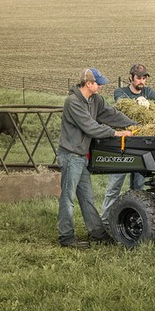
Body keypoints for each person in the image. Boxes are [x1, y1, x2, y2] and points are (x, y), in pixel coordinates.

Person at [57, 67, 135, 248]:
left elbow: (111, 114)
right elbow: (90, 126)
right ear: (88, 83)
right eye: (98, 83)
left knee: (88, 198)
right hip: (70, 155)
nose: (100, 86)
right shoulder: (73, 102)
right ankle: (66, 237)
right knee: (68, 198)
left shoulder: (95, 100)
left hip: (81, 156)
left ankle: (98, 234)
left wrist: (134, 124)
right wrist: (115, 133)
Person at [100, 63, 155, 230]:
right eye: (139, 78)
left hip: (141, 145)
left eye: (144, 78)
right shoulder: (121, 92)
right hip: (123, 145)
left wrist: (154, 106)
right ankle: (104, 222)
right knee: (114, 185)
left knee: (139, 186)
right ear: (131, 77)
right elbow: (123, 105)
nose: (142, 81)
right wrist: (140, 104)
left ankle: (135, 221)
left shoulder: (148, 92)